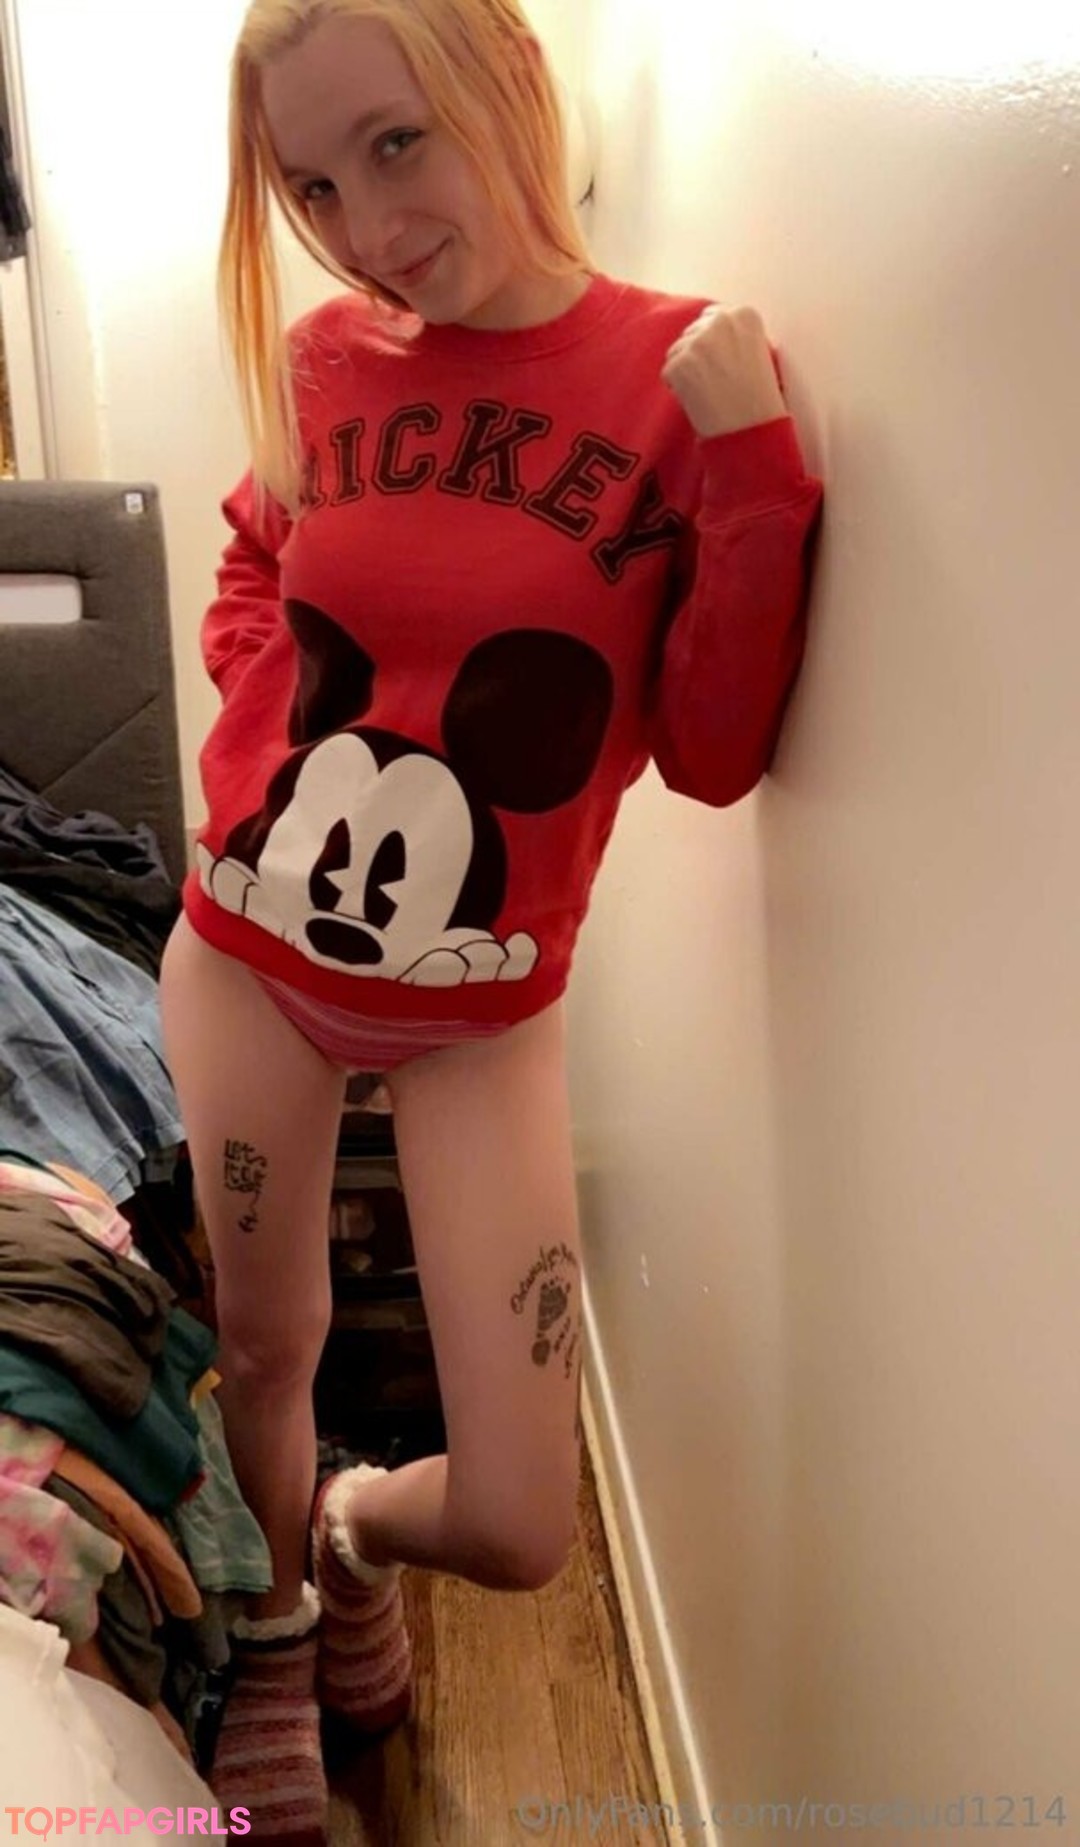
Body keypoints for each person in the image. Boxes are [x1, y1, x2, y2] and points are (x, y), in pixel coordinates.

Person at [158, 0, 824, 1839]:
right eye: (310, 184)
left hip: (484, 1007)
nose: (364, 228)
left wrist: (756, 471)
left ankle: (351, 1531)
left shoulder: (674, 378)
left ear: (510, 84)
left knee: (526, 1520)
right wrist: (258, 750)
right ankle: (278, 1636)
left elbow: (711, 751)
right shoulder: (325, 362)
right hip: (250, 964)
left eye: (397, 144)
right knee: (267, 1345)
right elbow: (252, 565)